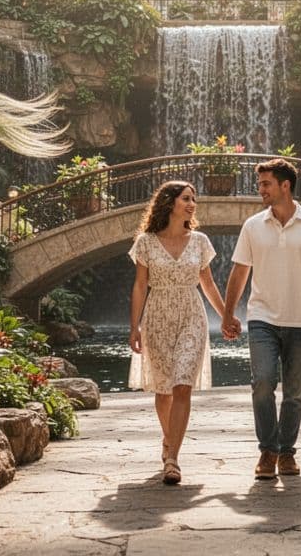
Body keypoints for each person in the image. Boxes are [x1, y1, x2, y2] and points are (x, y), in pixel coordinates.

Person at [221, 158, 301, 480]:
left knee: (295, 393)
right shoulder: (252, 226)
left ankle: (287, 452)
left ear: (285, 186)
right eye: (260, 184)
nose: (260, 190)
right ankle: (267, 450)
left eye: (266, 184)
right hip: (262, 318)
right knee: (262, 384)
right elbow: (239, 271)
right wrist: (229, 312)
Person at [127, 180, 226, 485]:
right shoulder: (145, 242)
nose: (192, 204)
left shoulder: (200, 241)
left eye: (194, 199)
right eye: (186, 198)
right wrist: (135, 326)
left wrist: (227, 316)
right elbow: (141, 285)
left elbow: (208, 284)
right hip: (157, 315)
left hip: (191, 314)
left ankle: (172, 459)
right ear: (169, 202)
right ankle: (168, 440)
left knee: (183, 384)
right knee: (164, 388)